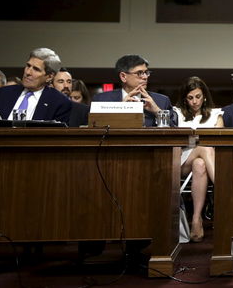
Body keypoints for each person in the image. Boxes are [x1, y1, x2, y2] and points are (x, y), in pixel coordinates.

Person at [173, 77, 218, 243]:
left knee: (200, 163)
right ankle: (224, 190)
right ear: (185, 98)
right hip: (181, 161)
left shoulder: (215, 115)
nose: (195, 101)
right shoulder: (176, 114)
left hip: (206, 162)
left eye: (198, 97)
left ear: (204, 96)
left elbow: (220, 143)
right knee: (204, 148)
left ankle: (196, 219)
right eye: (190, 98)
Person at [91, 54, 177, 127]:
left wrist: (157, 111)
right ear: (123, 77)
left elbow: (175, 132)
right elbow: (94, 129)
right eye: (139, 73)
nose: (145, 77)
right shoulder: (102, 99)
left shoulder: (162, 101)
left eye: (146, 72)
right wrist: (120, 109)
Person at [0, 48, 71, 124]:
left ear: (49, 77)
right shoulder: (4, 93)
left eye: (36, 69)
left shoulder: (59, 102)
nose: (28, 72)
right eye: (28, 66)